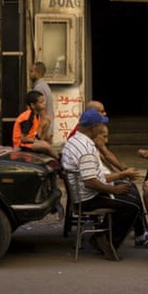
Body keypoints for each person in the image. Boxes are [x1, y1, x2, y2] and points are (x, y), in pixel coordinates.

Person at [60, 110, 140, 260]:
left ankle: (105, 236)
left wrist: (119, 179)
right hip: (89, 198)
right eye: (101, 125)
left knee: (130, 192)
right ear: (94, 127)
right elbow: (90, 182)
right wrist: (113, 189)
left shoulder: (74, 141)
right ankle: (106, 240)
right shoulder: (86, 150)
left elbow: (94, 176)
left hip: (84, 193)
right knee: (132, 206)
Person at [13, 90, 55, 155]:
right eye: (41, 102)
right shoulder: (28, 117)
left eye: (43, 101)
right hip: (22, 144)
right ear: (33, 105)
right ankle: (59, 161)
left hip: (31, 139)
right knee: (46, 147)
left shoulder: (36, 114)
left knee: (47, 121)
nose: (44, 103)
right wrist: (38, 141)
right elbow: (23, 138)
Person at [29, 61, 54, 142]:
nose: (30, 74)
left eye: (32, 71)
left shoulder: (39, 88)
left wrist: (40, 135)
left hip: (43, 131)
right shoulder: (44, 86)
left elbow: (42, 110)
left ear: (38, 73)